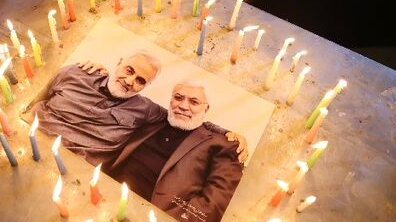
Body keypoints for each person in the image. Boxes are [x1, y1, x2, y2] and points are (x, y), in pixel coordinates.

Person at [25, 54, 246, 167]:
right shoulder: (76, 72)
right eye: (128, 70)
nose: (130, 81)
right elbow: (34, 97)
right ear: (119, 62)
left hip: (72, 167)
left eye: (140, 80)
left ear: (146, 86)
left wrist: (228, 133)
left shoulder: (145, 110)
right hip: (27, 139)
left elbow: (184, 114)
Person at [107, 82, 244, 222]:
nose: (183, 106)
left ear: (206, 109)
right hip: (109, 198)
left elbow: (214, 204)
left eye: (194, 102)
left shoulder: (223, 144)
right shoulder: (153, 119)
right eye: (178, 98)